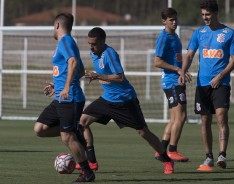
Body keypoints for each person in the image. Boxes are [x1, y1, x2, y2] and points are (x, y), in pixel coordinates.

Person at [79, 27, 174, 175]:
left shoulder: (109, 54)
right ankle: (91, 162)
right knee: (82, 122)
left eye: (94, 44)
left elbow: (119, 77)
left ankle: (166, 160)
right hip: (107, 100)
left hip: (125, 101)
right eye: (89, 43)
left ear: (103, 42)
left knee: (143, 132)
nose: (91, 47)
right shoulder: (94, 53)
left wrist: (97, 76)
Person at [33, 13, 95, 182]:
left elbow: (73, 62)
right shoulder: (67, 43)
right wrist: (58, 85)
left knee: (66, 137)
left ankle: (87, 172)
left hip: (70, 98)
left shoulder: (66, 41)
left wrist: (66, 86)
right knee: (40, 129)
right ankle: (75, 131)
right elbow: (80, 71)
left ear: (58, 25)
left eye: (53, 27)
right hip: (62, 97)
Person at [180, 0, 234, 171]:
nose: (205, 18)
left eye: (208, 14)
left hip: (221, 83)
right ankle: (208, 157)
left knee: (221, 117)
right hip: (202, 83)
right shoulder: (199, 33)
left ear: (215, 13)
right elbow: (190, 55)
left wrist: (221, 76)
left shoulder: (228, 33)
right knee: (205, 119)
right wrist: (183, 71)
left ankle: (222, 155)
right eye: (203, 15)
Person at [153, 7, 191, 162]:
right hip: (172, 82)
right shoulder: (164, 38)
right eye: (171, 20)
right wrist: (177, 69)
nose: (175, 22)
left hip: (176, 80)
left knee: (174, 118)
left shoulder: (174, 36)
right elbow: (157, 62)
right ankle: (172, 150)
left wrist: (182, 70)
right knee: (181, 116)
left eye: (176, 19)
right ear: (164, 21)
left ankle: (160, 150)